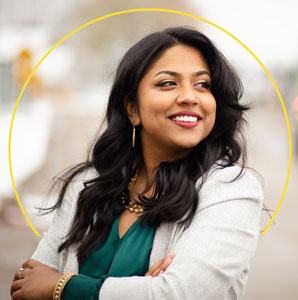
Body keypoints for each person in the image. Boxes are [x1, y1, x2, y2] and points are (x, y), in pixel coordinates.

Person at [10, 26, 263, 300]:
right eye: (168, 83)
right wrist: (138, 290)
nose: (190, 96)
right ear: (132, 108)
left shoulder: (231, 190)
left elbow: (178, 293)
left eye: (203, 85)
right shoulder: (88, 185)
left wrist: (62, 286)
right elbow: (28, 284)